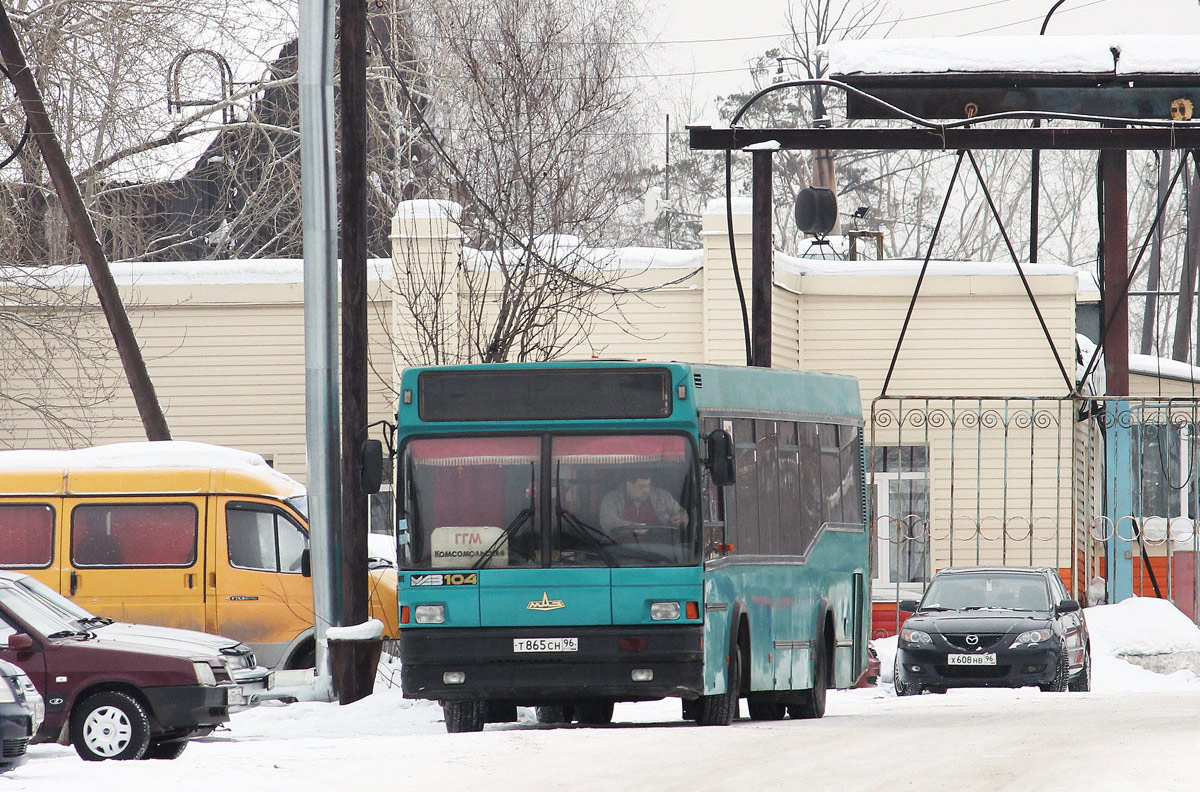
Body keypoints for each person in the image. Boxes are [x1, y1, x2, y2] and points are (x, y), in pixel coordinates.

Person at [599, 474, 685, 530]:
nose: (647, 490)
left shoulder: (662, 496)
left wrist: (681, 519)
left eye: (648, 485)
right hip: (619, 550)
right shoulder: (612, 498)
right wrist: (633, 527)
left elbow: (680, 513)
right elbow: (608, 522)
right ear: (628, 485)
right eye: (642, 486)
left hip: (662, 550)